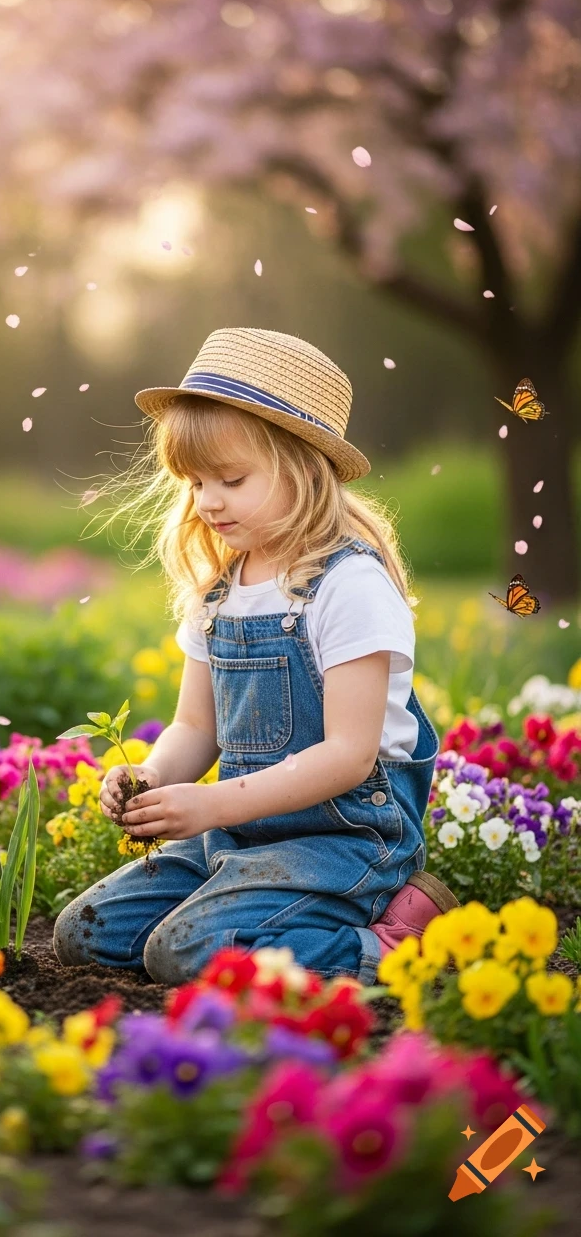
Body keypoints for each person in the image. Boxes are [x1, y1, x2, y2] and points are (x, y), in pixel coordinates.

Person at [53, 327, 459, 987]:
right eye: (195, 482)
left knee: (179, 952)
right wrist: (152, 779)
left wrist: (211, 807)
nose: (208, 501)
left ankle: (394, 947)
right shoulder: (218, 593)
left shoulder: (348, 586)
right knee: (87, 934)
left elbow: (349, 755)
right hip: (241, 840)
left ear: (302, 468)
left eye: (231, 479)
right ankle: (266, 917)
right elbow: (195, 728)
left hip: (344, 838)